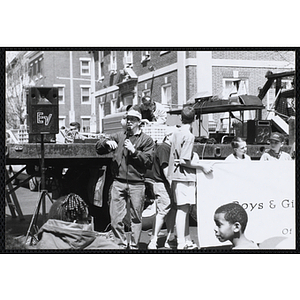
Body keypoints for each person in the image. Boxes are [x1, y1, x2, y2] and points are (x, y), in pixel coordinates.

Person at [95, 108, 154, 249]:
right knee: (116, 217)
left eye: (132, 120)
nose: (129, 122)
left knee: (136, 217)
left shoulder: (146, 140)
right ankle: (119, 244)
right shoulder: (119, 136)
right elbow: (98, 147)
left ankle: (134, 245)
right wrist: (106, 143)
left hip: (137, 184)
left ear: (139, 122)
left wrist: (134, 152)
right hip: (118, 182)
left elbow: (149, 161)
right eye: (127, 119)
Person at [168, 106, 213, 250]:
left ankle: (185, 240)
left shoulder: (176, 133)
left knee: (183, 209)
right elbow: (184, 160)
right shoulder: (189, 136)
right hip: (185, 176)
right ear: (194, 120)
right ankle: (181, 242)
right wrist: (202, 166)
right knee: (183, 210)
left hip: (177, 175)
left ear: (181, 118)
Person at [35, 193, 119, 249]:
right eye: (87, 219)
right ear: (75, 223)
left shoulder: (43, 244)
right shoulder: (104, 246)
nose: (89, 223)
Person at [147, 127, 177, 249]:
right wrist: (172, 184)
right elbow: (166, 169)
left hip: (164, 184)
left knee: (170, 211)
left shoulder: (166, 148)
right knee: (163, 212)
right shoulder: (164, 148)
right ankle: (153, 241)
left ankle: (169, 238)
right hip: (163, 184)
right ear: (169, 136)